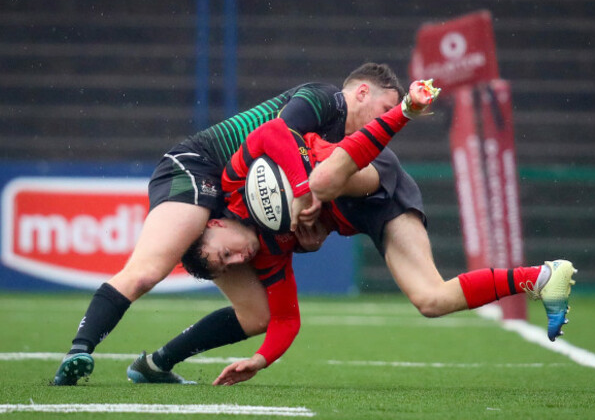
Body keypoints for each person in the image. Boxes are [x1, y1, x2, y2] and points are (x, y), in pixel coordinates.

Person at [125, 93, 577, 386]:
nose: (239, 260)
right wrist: (260, 360)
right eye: (230, 266)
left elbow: (271, 133)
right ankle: (541, 277)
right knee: (431, 300)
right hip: (372, 213)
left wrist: (306, 189)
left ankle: (404, 113)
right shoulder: (267, 256)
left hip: (370, 177)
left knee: (323, 182)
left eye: (227, 254)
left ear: (218, 222)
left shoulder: (233, 182)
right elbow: (285, 319)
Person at [53, 62, 415, 386]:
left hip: (232, 199)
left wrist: (313, 230)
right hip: (199, 166)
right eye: (385, 110)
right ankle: (78, 351)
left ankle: (155, 365)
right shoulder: (325, 98)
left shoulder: (339, 142)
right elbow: (277, 134)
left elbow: (303, 194)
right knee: (149, 270)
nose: (382, 121)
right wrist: (306, 194)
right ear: (362, 92)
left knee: (258, 316)